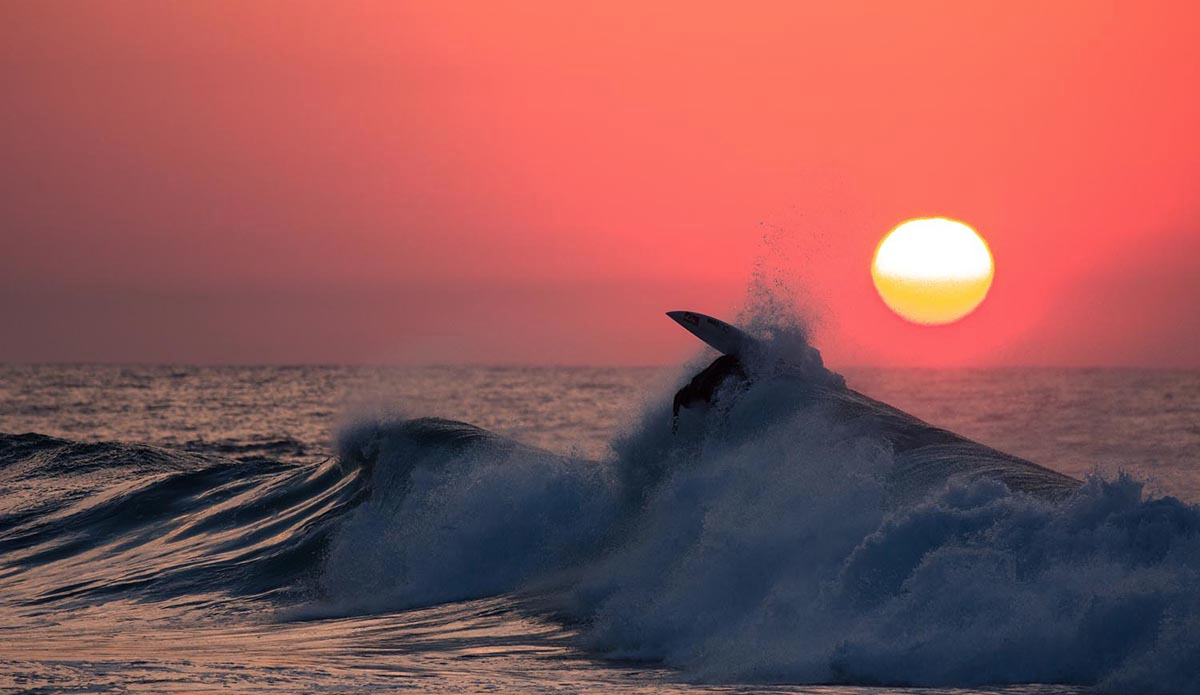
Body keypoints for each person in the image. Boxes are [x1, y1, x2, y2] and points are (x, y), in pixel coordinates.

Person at [672, 353, 748, 433]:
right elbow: (678, 397)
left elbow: (717, 406)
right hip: (723, 360)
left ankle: (748, 377)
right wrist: (675, 416)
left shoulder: (702, 391)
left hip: (728, 365)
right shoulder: (693, 383)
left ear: (692, 399)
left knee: (735, 376)